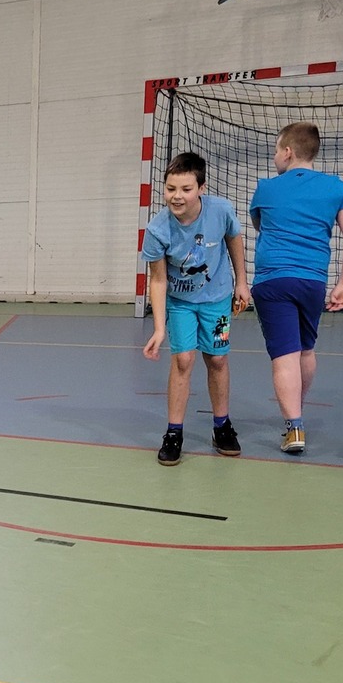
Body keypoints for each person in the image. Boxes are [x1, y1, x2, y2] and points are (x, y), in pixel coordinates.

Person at [249, 121, 343, 454]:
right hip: (312, 281)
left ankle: (294, 427)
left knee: (284, 355)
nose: (275, 157)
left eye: (276, 151)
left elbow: (260, 225)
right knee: (306, 349)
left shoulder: (266, 188)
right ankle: (296, 412)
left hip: (273, 281)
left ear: (287, 152)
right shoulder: (337, 187)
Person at [141, 153, 250, 466]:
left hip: (217, 299)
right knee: (183, 360)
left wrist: (242, 282)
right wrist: (158, 328)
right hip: (180, 303)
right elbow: (158, 280)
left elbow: (234, 239)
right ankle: (174, 432)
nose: (177, 196)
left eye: (186, 189)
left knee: (217, 359)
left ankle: (222, 426)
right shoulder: (157, 229)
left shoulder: (221, 211)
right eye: (171, 188)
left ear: (201, 188)